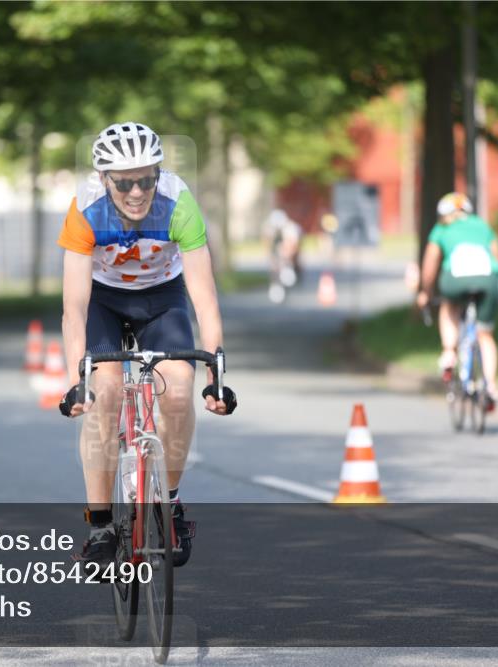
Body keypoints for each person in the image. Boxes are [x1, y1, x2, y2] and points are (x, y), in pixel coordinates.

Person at [57, 122, 237, 568]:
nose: (137, 191)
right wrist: (74, 382)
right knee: (106, 393)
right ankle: (100, 526)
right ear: (104, 179)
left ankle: (170, 506)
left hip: (162, 296)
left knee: (178, 390)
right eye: (124, 182)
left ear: (158, 173)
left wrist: (216, 378)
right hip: (103, 300)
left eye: (146, 179)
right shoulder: (86, 208)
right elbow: (74, 309)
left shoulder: (179, 204)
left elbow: (205, 299)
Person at [416, 192, 498, 404]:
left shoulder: (442, 228)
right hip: (487, 279)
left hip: (455, 279)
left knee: (449, 305)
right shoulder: (482, 225)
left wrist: (425, 292)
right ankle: (490, 385)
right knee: (485, 335)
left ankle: (448, 353)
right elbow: (496, 256)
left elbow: (430, 264)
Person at [262, 208, 303, 301]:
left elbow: (293, 245)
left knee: (287, 266)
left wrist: (287, 257)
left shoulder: (291, 228)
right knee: (274, 269)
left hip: (287, 249)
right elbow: (267, 243)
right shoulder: (269, 228)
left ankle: (291, 275)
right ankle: (276, 288)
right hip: (276, 250)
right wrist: (271, 257)